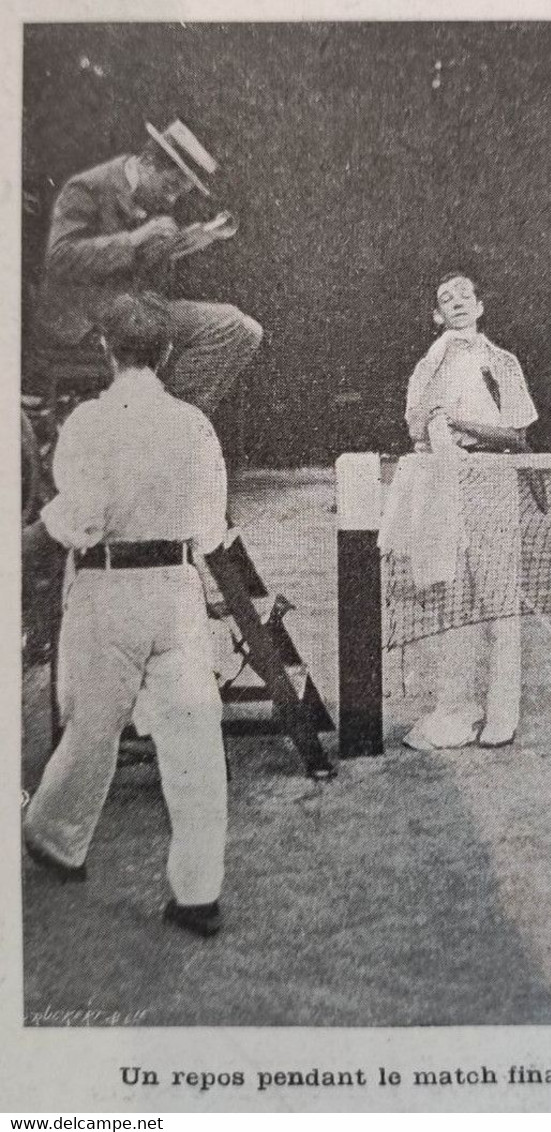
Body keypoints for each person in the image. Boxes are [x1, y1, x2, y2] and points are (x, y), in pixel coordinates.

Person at [23, 294, 230, 938]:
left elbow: (78, 519)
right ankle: (198, 895)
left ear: (105, 351)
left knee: (92, 725)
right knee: (194, 733)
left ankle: (57, 839)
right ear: (168, 354)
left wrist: (34, 534)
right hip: (176, 589)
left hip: (108, 588)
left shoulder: (89, 421)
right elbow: (210, 527)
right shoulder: (194, 423)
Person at [383, 272, 538, 751]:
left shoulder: (503, 362)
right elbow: (414, 430)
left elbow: (517, 437)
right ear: (436, 316)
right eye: (445, 299)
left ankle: (501, 713)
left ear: (480, 306)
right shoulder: (426, 365)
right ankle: (457, 708)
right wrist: (435, 422)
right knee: (454, 602)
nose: (457, 303)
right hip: (444, 487)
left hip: (492, 483)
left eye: (465, 295)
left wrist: (459, 424)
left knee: (498, 602)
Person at [37, 118, 263, 422]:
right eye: (169, 186)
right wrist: (135, 239)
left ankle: (164, 426)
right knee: (219, 328)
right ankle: (158, 429)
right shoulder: (87, 187)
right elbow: (60, 258)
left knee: (240, 329)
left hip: (138, 313)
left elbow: (142, 266)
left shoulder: (150, 197)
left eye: (178, 194)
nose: (171, 199)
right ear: (146, 162)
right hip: (90, 322)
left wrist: (188, 242)